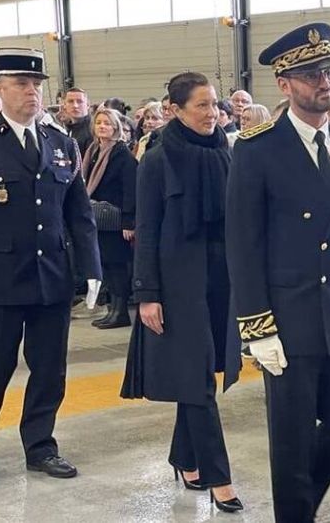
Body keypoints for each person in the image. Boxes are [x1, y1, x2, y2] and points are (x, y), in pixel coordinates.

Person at [226, 23, 330, 522]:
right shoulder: (256, 148)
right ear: (284, 85)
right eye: (310, 74)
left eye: (327, 71)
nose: (324, 82)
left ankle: (298, 511)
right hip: (290, 318)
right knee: (293, 440)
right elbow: (243, 244)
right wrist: (257, 326)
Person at [0, 47, 101, 479]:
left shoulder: (61, 143)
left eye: (36, 85)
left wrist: (91, 268)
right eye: (20, 84)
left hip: (51, 275)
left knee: (50, 368)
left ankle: (40, 445)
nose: (31, 92)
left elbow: (79, 213)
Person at [121, 72, 243, 511]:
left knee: (202, 374)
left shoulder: (226, 152)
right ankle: (218, 476)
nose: (212, 114)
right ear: (174, 110)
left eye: (215, 105)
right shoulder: (157, 159)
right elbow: (147, 230)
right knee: (196, 381)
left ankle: (184, 457)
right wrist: (146, 293)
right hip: (176, 284)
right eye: (202, 106)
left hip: (219, 280)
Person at [83, 109, 138, 329]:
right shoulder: (94, 150)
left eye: (107, 123)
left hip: (115, 220)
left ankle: (121, 311)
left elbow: (130, 189)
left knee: (117, 267)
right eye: (99, 123)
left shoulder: (121, 154)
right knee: (106, 265)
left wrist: (128, 221)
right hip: (99, 218)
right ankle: (112, 309)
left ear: (116, 128)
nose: (102, 126)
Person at [61, 87, 93, 155]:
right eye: (70, 101)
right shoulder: (64, 129)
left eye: (79, 101)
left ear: (87, 105)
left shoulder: (93, 130)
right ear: (64, 106)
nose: (75, 106)